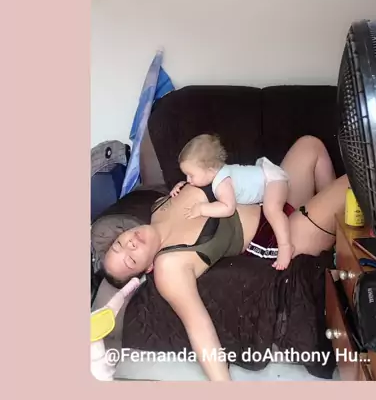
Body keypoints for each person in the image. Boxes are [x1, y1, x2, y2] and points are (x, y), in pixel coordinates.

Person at [103, 135, 349, 382]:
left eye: (118, 244)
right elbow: (198, 327)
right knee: (352, 184)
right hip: (279, 236)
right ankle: (330, 225)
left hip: (272, 201)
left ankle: (340, 235)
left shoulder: (159, 206)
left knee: (310, 146)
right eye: (131, 260)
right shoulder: (169, 266)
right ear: (148, 268)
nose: (129, 245)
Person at [170, 133, 293, 269]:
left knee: (272, 210)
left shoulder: (222, 183)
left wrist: (202, 209)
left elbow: (228, 208)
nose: (188, 180)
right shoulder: (218, 173)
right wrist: (180, 186)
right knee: (270, 208)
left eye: (191, 175)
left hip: (272, 181)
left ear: (210, 170)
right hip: (267, 178)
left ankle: (285, 246)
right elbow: (197, 185)